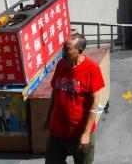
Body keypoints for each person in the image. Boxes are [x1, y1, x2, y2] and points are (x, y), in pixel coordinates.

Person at [44, 34, 105, 164]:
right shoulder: (61, 65)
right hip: (58, 130)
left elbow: (94, 103)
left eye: (67, 49)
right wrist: (48, 118)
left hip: (79, 132)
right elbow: (55, 93)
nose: (63, 52)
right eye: (63, 48)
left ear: (79, 51)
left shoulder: (92, 69)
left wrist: (86, 133)